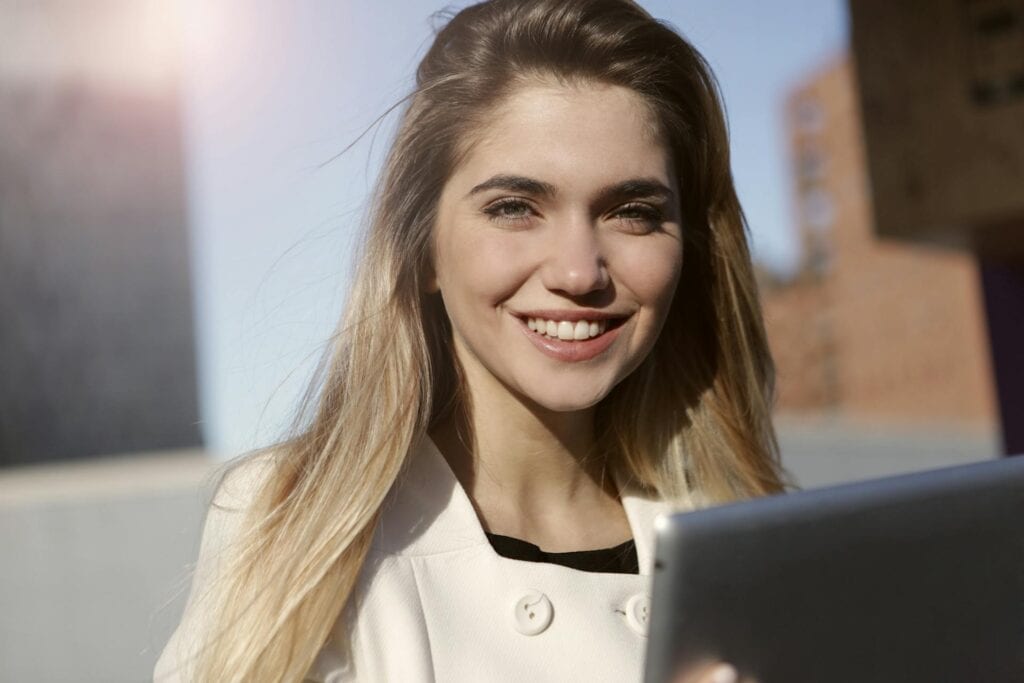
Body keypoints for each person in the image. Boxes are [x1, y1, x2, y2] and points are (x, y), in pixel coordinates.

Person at [156, 0, 786, 680]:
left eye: (632, 213)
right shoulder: (294, 525)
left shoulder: (748, 540)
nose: (578, 271)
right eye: (515, 207)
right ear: (423, 248)